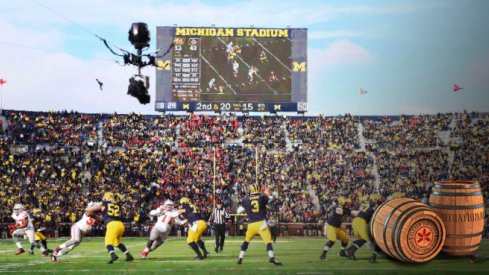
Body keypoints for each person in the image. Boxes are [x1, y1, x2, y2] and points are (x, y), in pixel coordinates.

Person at [236, 184, 281, 265]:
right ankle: (271, 257)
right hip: (261, 224)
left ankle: (240, 257)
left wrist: (248, 211)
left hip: (251, 224)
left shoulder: (246, 199)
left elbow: (239, 210)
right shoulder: (262, 197)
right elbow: (272, 198)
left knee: (246, 241)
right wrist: (269, 193)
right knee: (268, 241)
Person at [93, 192, 134, 264]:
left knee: (108, 242)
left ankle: (113, 255)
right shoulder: (117, 204)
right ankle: (128, 255)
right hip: (120, 224)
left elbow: (95, 209)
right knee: (116, 242)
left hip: (112, 224)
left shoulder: (104, 203)